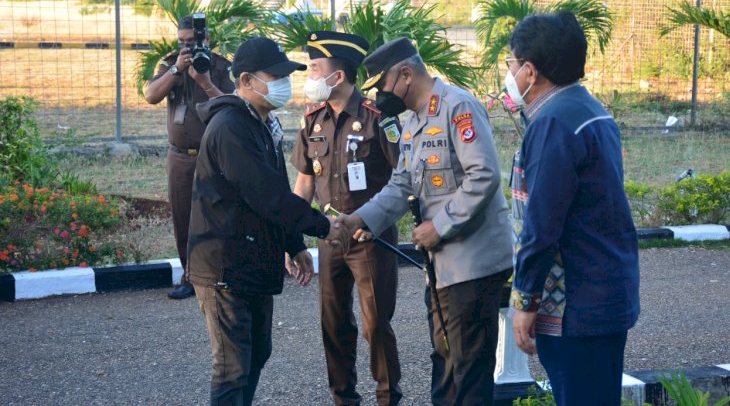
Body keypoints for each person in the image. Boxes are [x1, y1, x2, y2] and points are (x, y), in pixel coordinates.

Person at [334, 37, 514, 405]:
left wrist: (439, 225)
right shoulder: (414, 121)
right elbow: (400, 184)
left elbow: (484, 175)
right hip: (443, 268)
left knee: (468, 370)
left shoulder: (457, 107)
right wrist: (358, 219)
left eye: (381, 85)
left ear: (405, 75)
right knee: (445, 362)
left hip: (473, 264)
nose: (379, 95)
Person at [186, 36, 335, 404]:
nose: (284, 84)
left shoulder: (260, 122)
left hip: (250, 258)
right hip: (225, 265)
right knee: (232, 367)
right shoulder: (231, 128)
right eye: (276, 76)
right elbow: (266, 195)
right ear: (247, 81)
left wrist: (293, 243)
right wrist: (327, 227)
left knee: (256, 353)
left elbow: (274, 187)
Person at [506, 11, 640, 406]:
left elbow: (542, 224)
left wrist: (525, 301)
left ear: (530, 71)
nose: (510, 73)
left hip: (576, 306)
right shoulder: (587, 108)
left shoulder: (553, 124)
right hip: (602, 292)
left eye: (511, 64)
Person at [290, 31, 403, 406]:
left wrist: (371, 222)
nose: (310, 76)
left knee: (375, 324)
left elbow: (404, 178)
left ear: (337, 77)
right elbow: (305, 183)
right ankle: (343, 398)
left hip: (370, 238)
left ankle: (387, 397)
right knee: (334, 323)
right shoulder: (312, 121)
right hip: (328, 237)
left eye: (315, 68)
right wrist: (292, 238)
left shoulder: (377, 119)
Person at [145, 15, 234, 300]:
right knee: (182, 216)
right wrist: (175, 70)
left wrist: (205, 81)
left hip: (215, 156)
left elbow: (231, 106)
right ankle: (189, 277)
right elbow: (151, 96)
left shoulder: (220, 66)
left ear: (206, 40)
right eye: (182, 41)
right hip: (181, 158)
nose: (187, 47)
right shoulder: (171, 63)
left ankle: (219, 274)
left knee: (218, 216)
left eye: (193, 42)